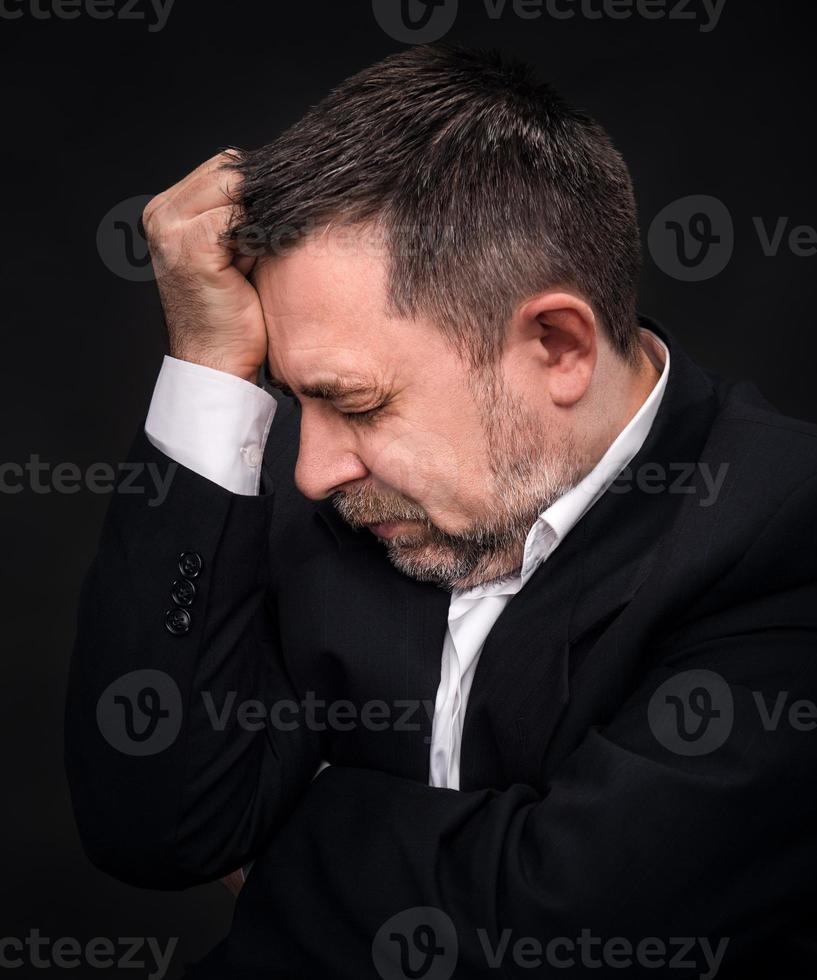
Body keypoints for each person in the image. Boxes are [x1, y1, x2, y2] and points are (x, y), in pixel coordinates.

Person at [65, 44, 817, 979]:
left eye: (361, 402)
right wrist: (210, 366)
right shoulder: (354, 499)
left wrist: (285, 842)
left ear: (557, 344)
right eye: (299, 402)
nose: (312, 471)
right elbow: (153, 828)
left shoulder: (785, 527)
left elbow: (575, 926)